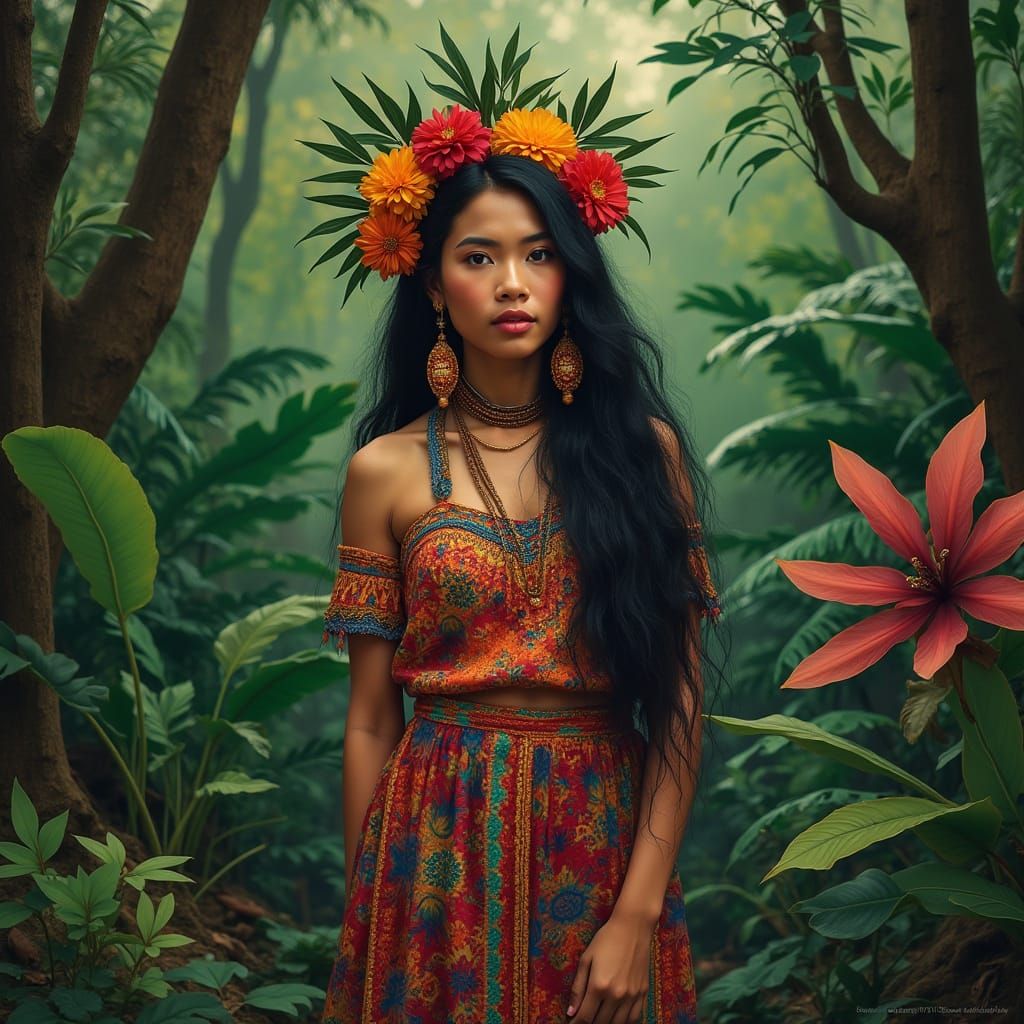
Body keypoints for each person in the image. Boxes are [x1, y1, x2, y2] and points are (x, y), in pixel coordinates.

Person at [316, 64, 723, 1024]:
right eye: (479, 256)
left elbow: (677, 700)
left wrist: (637, 910)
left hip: (601, 828)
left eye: (538, 255)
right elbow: (372, 718)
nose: (511, 284)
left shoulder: (640, 453)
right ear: (431, 279)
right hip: (431, 837)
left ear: (571, 273)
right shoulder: (385, 471)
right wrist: (372, 906)